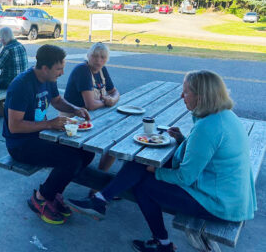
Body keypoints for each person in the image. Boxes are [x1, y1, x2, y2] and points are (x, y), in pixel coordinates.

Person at [68, 70, 256, 252]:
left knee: (144, 186)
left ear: (202, 96)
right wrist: (183, 140)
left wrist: (156, 171)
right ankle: (101, 199)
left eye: (186, 91)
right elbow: (207, 153)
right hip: (224, 189)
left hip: (220, 203)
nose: (182, 96)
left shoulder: (208, 127)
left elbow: (185, 177)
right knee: (142, 160)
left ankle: (162, 244)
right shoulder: (223, 115)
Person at [3, 44, 95, 225]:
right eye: (59, 69)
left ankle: (54, 193)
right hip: (20, 145)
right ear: (45, 68)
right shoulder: (21, 85)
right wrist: (49, 124)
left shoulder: (48, 79)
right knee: (71, 160)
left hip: (41, 135)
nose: (61, 73)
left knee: (86, 152)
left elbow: (57, 101)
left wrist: (75, 109)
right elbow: (15, 127)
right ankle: (41, 198)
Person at [64, 42, 120, 171]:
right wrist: (107, 102)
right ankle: (97, 182)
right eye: (95, 56)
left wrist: (113, 99)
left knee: (116, 137)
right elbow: (90, 104)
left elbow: (115, 92)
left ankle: (98, 181)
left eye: (102, 57)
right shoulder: (82, 70)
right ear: (88, 56)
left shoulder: (102, 70)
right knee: (112, 140)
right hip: (73, 122)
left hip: (92, 118)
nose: (98, 60)